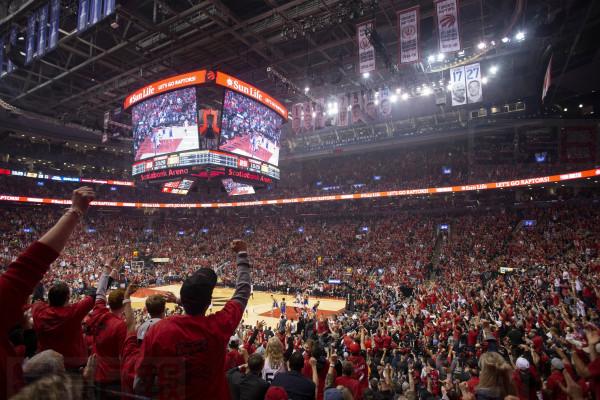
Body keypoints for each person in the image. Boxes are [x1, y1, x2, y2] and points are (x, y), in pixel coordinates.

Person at [0, 187, 94, 398]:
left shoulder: (40, 310)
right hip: (68, 372)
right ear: (68, 298)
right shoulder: (70, 314)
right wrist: (75, 211)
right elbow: (30, 265)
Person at [134, 239, 251, 399]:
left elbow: (140, 384)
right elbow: (242, 292)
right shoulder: (218, 326)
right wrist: (242, 255)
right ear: (208, 302)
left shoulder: (158, 330)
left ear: (183, 297)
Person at [31, 279, 95, 371]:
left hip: (45, 365)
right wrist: (108, 272)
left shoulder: (38, 311)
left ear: (49, 298)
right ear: (68, 298)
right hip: (72, 367)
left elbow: (37, 297)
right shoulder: (72, 313)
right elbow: (95, 295)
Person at [86, 266, 127, 399]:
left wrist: (106, 271)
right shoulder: (121, 326)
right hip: (112, 376)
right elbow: (122, 357)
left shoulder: (99, 314)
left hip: (95, 371)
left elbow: (100, 294)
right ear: (124, 305)